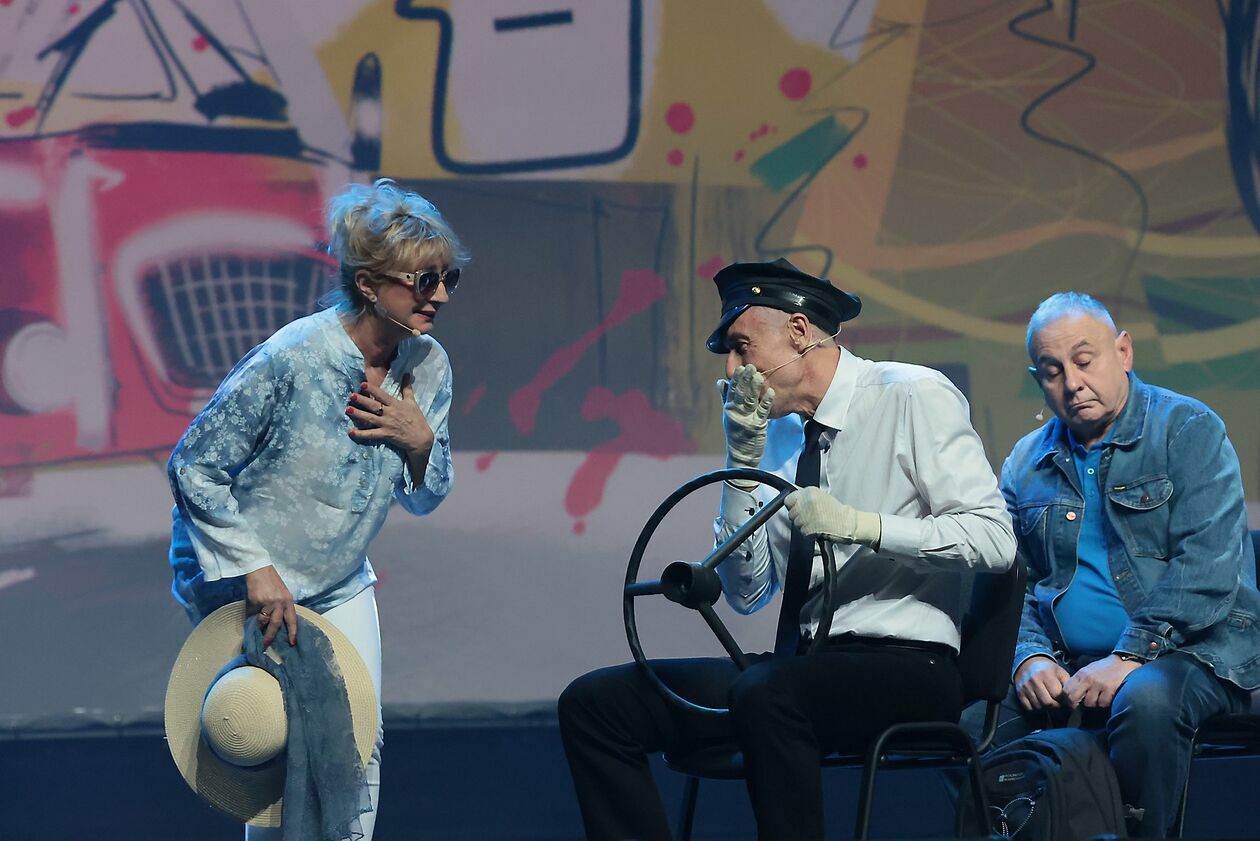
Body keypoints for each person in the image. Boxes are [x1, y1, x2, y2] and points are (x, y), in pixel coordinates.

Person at [558, 257, 1016, 841]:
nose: (732, 370)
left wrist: (864, 526)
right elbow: (747, 594)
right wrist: (741, 466)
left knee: (767, 693)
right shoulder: (777, 435)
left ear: (798, 332)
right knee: (596, 705)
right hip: (797, 673)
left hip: (907, 666)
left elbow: (994, 539)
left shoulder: (911, 395)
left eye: (741, 348)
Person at [167, 178, 465, 839]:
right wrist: (254, 568)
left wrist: (420, 445)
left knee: (356, 743)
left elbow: (424, 497)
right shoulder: (293, 356)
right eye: (424, 281)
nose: (441, 295)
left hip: (339, 580)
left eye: (448, 279)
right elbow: (193, 465)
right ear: (368, 284)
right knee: (274, 749)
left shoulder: (428, 366)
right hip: (251, 580)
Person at [990, 291, 1260, 837]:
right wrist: (1028, 657)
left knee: (1147, 699)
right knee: (976, 722)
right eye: (1052, 371)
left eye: (1084, 361)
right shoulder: (1025, 462)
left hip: (1198, 653)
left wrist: (1130, 655)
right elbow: (1011, 581)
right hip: (1072, 662)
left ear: (1124, 352)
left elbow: (1207, 569)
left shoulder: (1187, 429)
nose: (1071, 383)